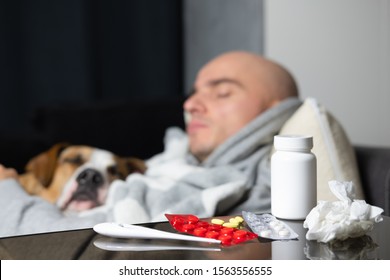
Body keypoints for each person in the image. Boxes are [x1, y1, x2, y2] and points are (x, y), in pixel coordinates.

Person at [0, 51, 301, 237]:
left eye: (222, 92)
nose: (191, 103)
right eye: (193, 93)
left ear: (275, 113)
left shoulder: (254, 186)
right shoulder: (171, 162)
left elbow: (52, 247)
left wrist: (5, 190)